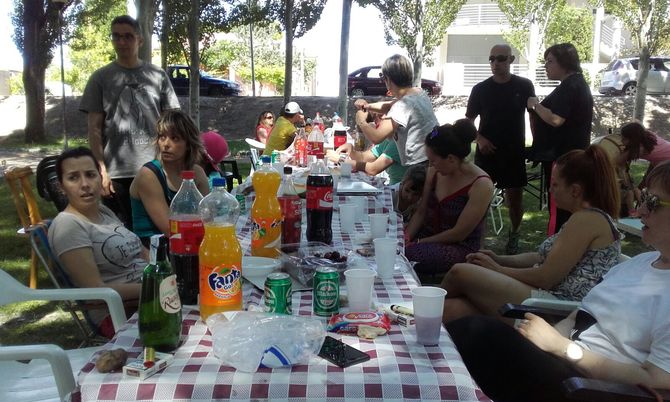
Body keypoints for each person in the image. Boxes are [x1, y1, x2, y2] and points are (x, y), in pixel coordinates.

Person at [446, 160, 670, 402]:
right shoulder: (639, 263)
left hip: (587, 388)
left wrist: (562, 348)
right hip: (564, 361)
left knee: (475, 333)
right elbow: (579, 314)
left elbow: (656, 381)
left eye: (653, 202)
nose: (640, 210)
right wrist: (545, 343)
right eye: (643, 197)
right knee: (459, 320)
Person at [441, 144, 621, 324]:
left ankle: (424, 306)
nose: (550, 190)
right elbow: (541, 257)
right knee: (452, 309)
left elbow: (545, 278)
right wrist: (499, 259)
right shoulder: (585, 218)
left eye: (555, 185)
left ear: (575, 190)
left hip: (559, 308)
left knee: (460, 272)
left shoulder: (586, 220)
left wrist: (498, 269)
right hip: (549, 300)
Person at [79, 15, 181, 231]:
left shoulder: (157, 75)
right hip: (117, 172)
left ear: (139, 40)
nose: (122, 42)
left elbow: (173, 123)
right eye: (116, 36)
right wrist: (101, 170)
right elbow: (94, 129)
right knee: (123, 234)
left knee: (162, 230)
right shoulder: (100, 78)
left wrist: (176, 161)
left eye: (128, 36)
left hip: (155, 167)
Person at [48, 147, 146, 334]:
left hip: (151, 297)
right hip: (119, 314)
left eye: (90, 175)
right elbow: (95, 291)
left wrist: (167, 273)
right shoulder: (68, 226)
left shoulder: (103, 211)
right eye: (73, 178)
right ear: (61, 187)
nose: (85, 184)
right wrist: (153, 287)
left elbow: (141, 251)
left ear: (100, 178)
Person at [466, 44, 536, 254]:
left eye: (501, 58)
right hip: (487, 154)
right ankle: (479, 242)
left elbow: (533, 116)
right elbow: (468, 121)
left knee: (515, 201)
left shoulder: (524, 86)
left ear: (511, 60)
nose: (495, 63)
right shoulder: (480, 89)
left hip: (514, 152)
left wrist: (537, 144)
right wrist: (480, 140)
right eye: (492, 59)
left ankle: (514, 234)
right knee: (481, 200)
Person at [404, 120, 494, 276]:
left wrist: (417, 243)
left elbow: (459, 233)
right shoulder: (434, 172)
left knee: (408, 255)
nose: (430, 165)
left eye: (433, 160)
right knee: (386, 241)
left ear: (451, 159)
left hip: (459, 246)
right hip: (426, 237)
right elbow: (421, 212)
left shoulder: (481, 184)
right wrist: (406, 238)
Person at [527, 43, 593, 235]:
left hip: (563, 159)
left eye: (550, 61)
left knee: (560, 207)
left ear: (564, 63)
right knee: (571, 207)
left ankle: (557, 245)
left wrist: (535, 105)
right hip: (571, 156)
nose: (546, 66)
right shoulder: (576, 84)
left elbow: (556, 120)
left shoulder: (570, 86)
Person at [129, 111, 210, 246]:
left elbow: (208, 217)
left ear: (189, 143)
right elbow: (171, 230)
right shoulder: (149, 175)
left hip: (189, 243)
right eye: (162, 137)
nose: (166, 144)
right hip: (153, 250)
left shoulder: (197, 172)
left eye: (175, 138)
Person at [353, 54, 438, 166]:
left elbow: (376, 137)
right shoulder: (418, 92)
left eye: (383, 78)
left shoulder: (401, 107)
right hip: (434, 157)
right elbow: (389, 105)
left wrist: (361, 121)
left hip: (420, 164)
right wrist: (367, 106)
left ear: (388, 80)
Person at [619, 121, 670, 193]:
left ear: (633, 139)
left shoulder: (640, 149)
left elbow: (617, 162)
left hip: (666, 163)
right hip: (661, 160)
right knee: (645, 183)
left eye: (624, 139)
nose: (621, 141)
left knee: (656, 186)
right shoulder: (646, 135)